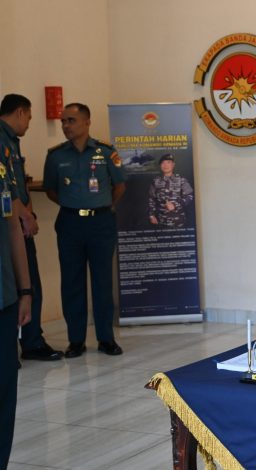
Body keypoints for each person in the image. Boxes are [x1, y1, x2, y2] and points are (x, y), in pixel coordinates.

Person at [43, 103, 126, 357]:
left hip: (101, 223)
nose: (65, 125)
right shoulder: (56, 156)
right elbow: (50, 190)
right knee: (72, 282)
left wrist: (105, 206)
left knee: (102, 281)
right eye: (63, 121)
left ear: (87, 122)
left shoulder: (106, 152)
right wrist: (73, 204)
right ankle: (76, 340)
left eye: (71, 120)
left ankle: (106, 339)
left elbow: (119, 185)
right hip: (70, 223)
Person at [0, 94, 64, 362]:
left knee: (24, 286)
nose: (28, 123)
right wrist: (26, 216)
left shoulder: (11, 140)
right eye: (28, 117)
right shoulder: (2, 139)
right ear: (19, 112)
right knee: (26, 285)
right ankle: (31, 342)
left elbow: (17, 183)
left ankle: (27, 340)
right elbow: (8, 192)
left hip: (17, 222)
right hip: (12, 227)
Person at [0, 122, 32, 468]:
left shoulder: (1, 162)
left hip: (5, 297)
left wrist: (25, 290)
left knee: (5, 394)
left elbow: (12, 225)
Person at [147, 153, 194, 227]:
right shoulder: (155, 181)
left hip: (178, 221)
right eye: (163, 163)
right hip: (160, 221)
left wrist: (175, 205)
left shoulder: (182, 180)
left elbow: (190, 196)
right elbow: (151, 199)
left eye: (168, 162)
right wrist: (151, 215)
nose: (165, 165)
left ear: (173, 164)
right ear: (160, 165)